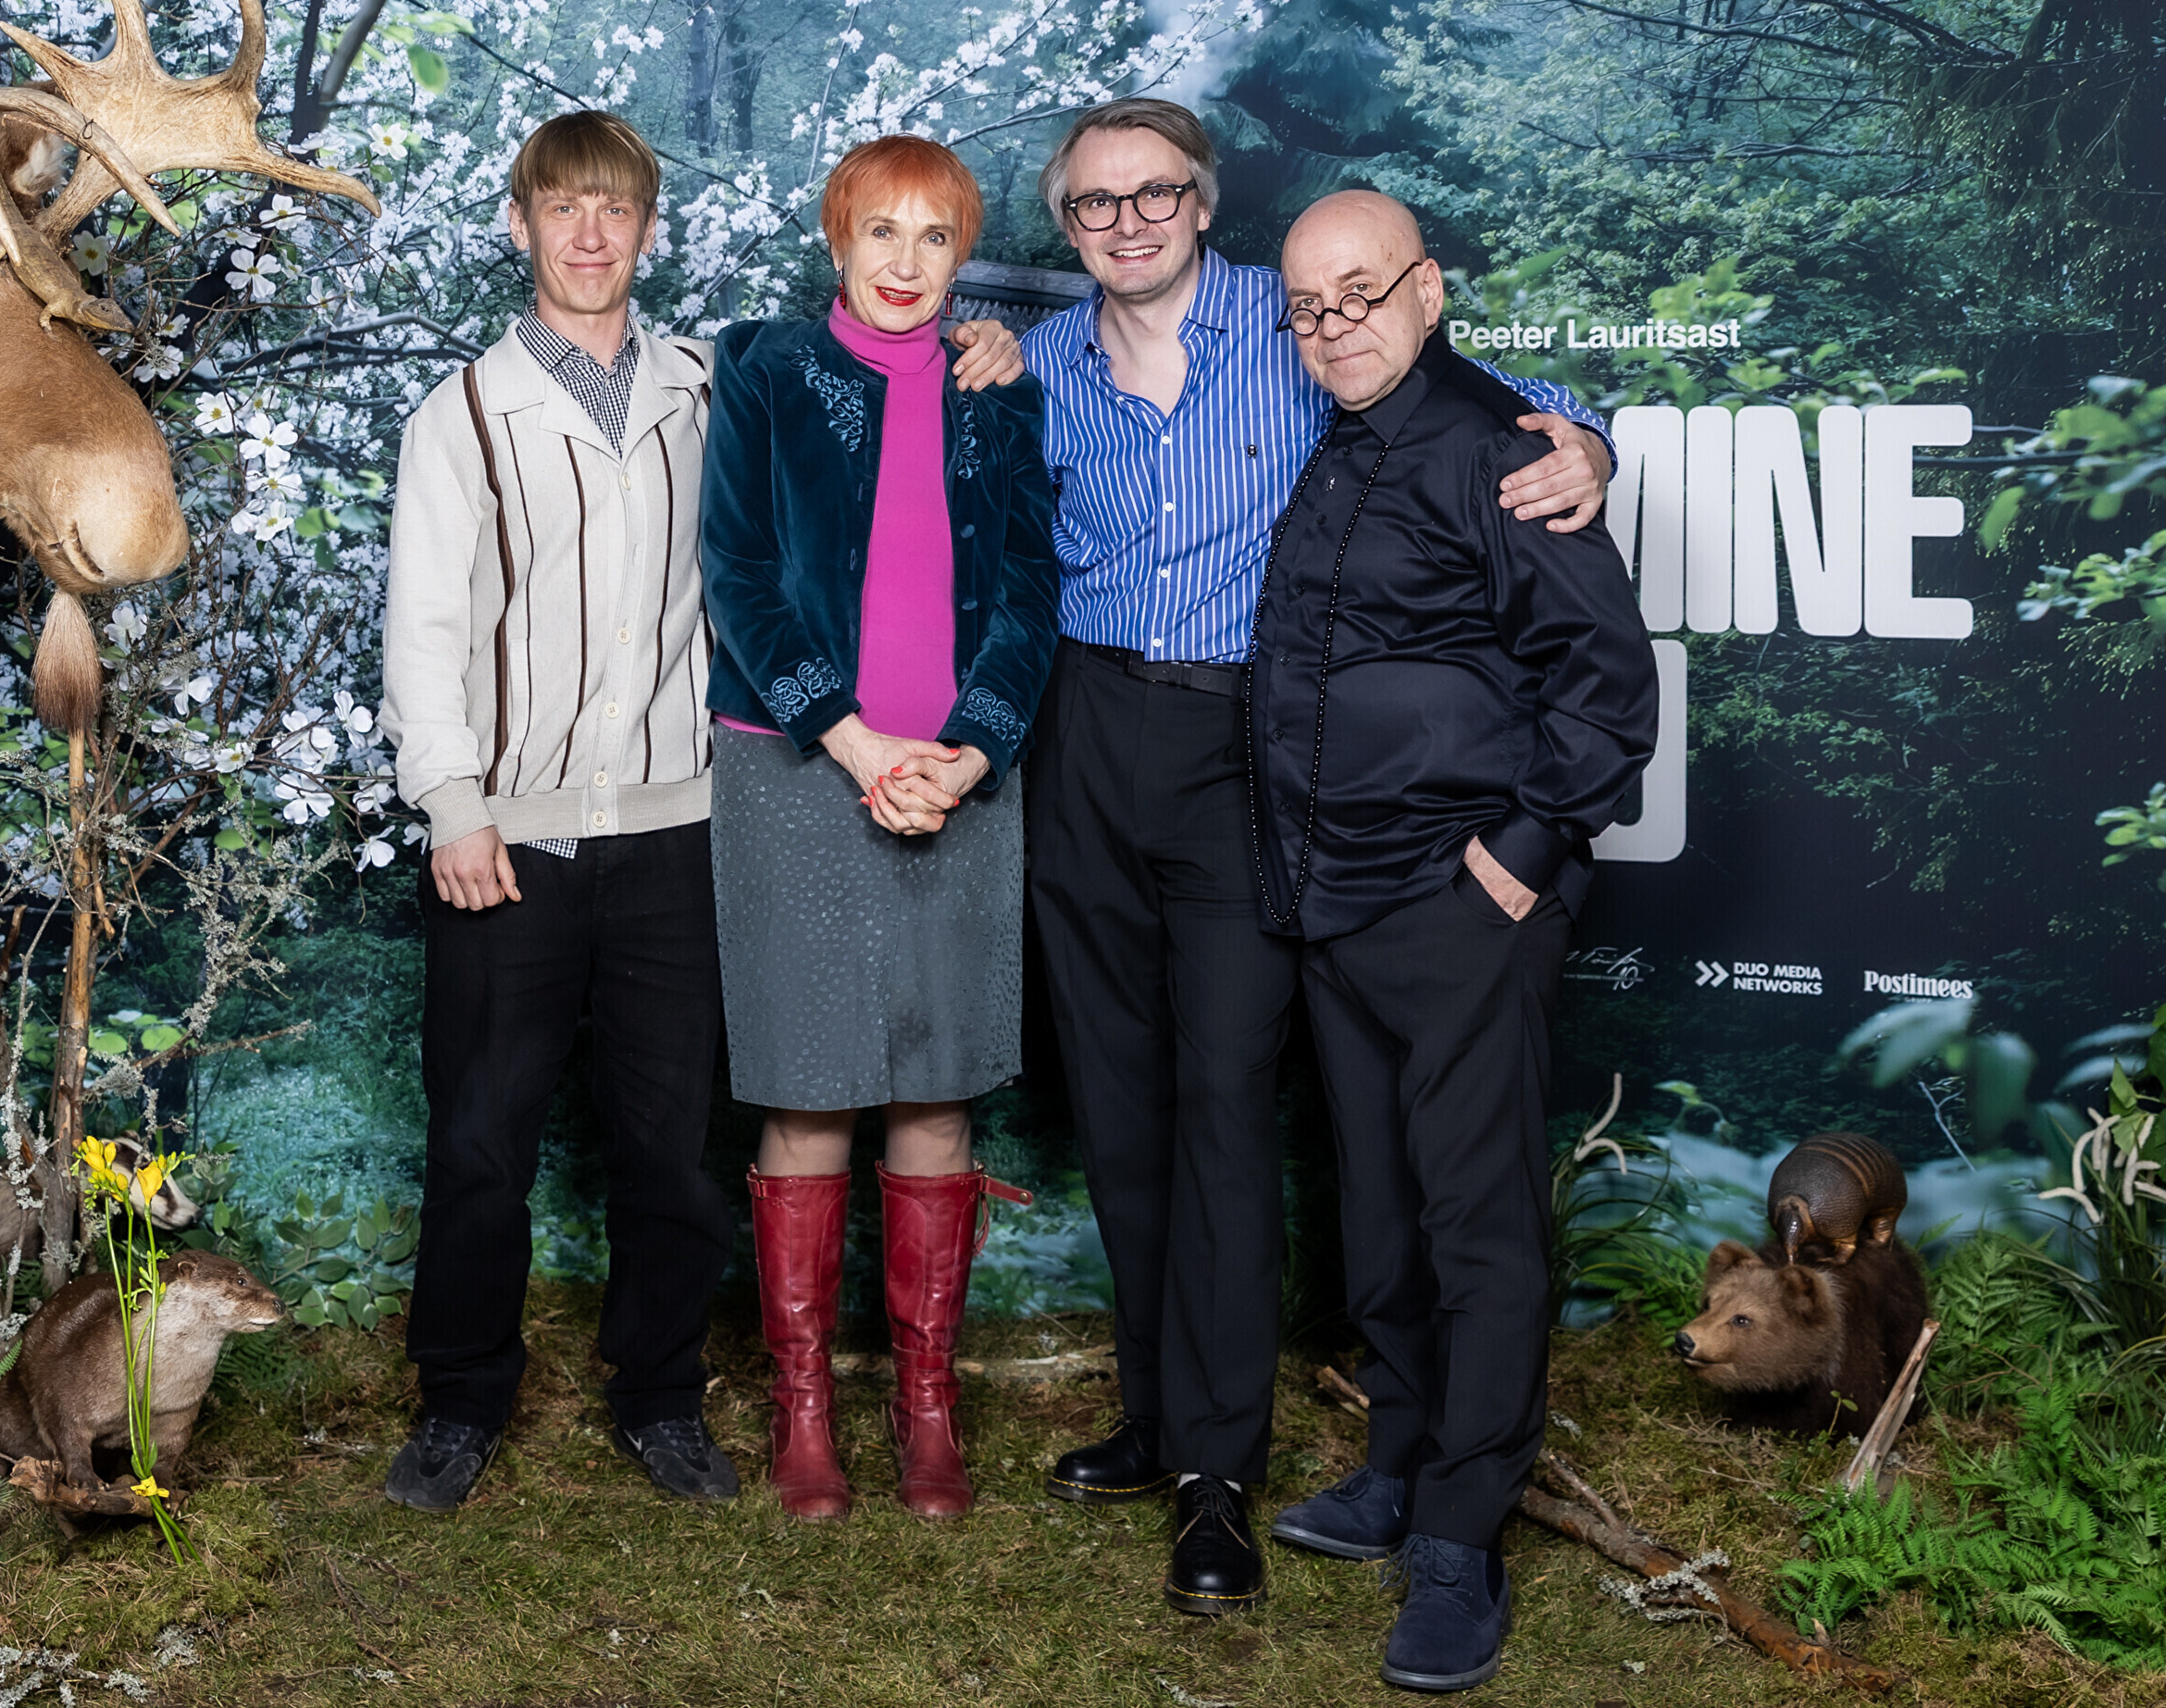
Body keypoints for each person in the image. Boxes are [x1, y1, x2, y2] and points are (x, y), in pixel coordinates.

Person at [1015, 99, 1615, 1614]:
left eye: (1156, 193)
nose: (1128, 222)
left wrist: (1587, 440)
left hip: (1243, 745)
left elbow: (1486, 396)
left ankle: (1217, 1472)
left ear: (1204, 203)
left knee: (1224, 1101)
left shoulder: (1298, 327)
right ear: (1066, 226)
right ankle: (1156, 1412)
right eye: (1095, 204)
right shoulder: (1036, 363)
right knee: (1118, 1101)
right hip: (1085, 729)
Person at [378, 112, 1023, 1515]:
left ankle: (662, 1397)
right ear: (520, 226)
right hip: (513, 828)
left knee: (668, 1144)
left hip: (680, 820)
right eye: (563, 209)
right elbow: (422, 626)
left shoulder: (716, 382)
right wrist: (452, 803)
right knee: (482, 1137)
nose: (590, 234)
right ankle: (461, 1403)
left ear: (648, 232)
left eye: (615, 210)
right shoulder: (463, 415)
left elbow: (871, 392)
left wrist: (991, 348)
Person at [1250, 190, 1659, 1691]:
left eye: (1361, 293)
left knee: (1477, 1225)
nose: (1334, 326)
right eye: (1308, 306)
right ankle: (1404, 1463)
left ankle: (1461, 1538)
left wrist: (1517, 861)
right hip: (1332, 901)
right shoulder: (1340, 441)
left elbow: (1607, 685)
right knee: (1381, 1210)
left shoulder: (1505, 452)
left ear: (1429, 290)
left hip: (1459, 903)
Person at [700, 135, 1058, 1522]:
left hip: (960, 776)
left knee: (934, 1087)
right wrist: (848, 739)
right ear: (836, 239)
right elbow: (737, 568)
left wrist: (972, 751)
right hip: (798, 770)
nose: (906, 263)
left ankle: (927, 1404)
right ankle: (803, 1410)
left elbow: (1029, 586)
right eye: (881, 232)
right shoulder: (764, 368)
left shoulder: (998, 389)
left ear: (963, 253)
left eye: (935, 237)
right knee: (808, 1086)